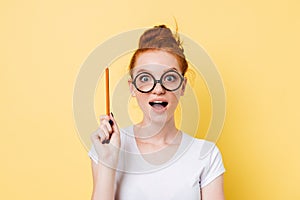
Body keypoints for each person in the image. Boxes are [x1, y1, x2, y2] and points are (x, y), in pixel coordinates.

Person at [89, 25, 225, 200]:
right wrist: (108, 162)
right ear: (132, 88)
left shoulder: (206, 154)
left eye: (170, 78)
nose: (158, 89)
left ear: (182, 87)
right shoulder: (106, 148)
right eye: (145, 78)